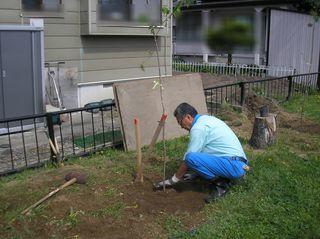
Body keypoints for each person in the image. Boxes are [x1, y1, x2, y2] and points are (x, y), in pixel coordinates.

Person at [154, 103, 249, 203]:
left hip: (233, 166)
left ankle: (221, 186)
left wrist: (173, 180)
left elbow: (188, 159)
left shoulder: (198, 128)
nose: (181, 126)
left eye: (180, 122)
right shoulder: (206, 119)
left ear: (188, 117)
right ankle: (221, 176)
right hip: (238, 163)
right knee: (196, 156)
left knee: (190, 158)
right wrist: (195, 171)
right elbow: (206, 151)